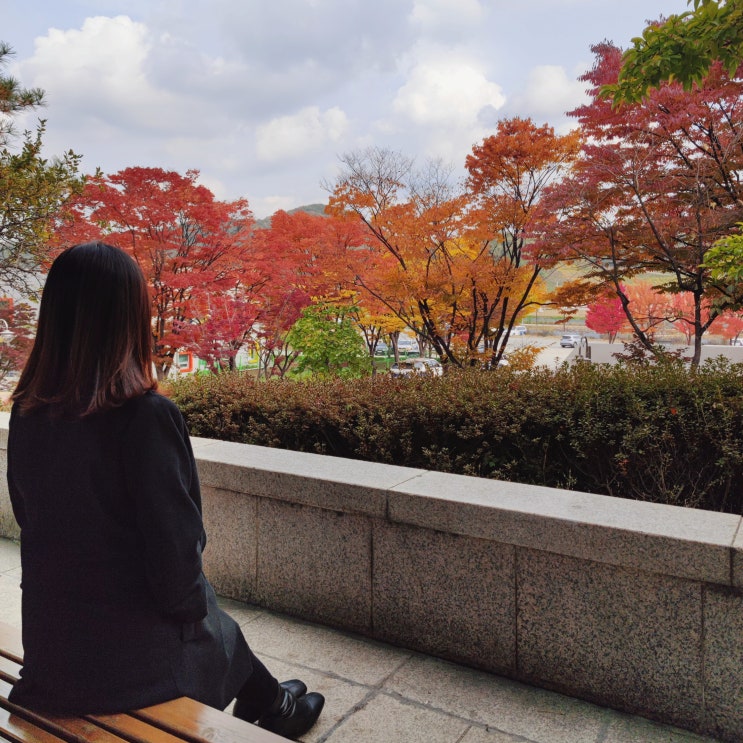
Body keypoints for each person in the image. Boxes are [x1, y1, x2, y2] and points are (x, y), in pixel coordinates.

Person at [7, 241, 324, 739]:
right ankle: (275, 706)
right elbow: (175, 555)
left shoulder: (28, 410)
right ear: (129, 317)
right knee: (208, 619)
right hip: (116, 669)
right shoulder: (144, 416)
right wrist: (193, 613)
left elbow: (31, 517)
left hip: (54, 645)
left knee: (210, 618)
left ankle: (274, 702)